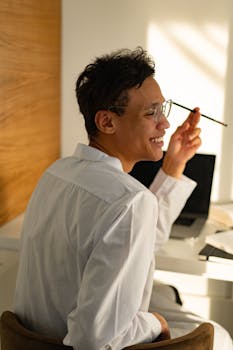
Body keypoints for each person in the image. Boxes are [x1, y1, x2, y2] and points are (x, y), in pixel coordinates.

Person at [14, 47, 233, 350]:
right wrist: (157, 322)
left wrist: (173, 167)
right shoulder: (129, 200)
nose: (165, 124)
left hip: (36, 338)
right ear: (106, 122)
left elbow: (136, 247)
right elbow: (95, 338)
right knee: (219, 336)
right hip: (78, 342)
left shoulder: (56, 172)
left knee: (164, 295)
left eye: (163, 108)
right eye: (150, 112)